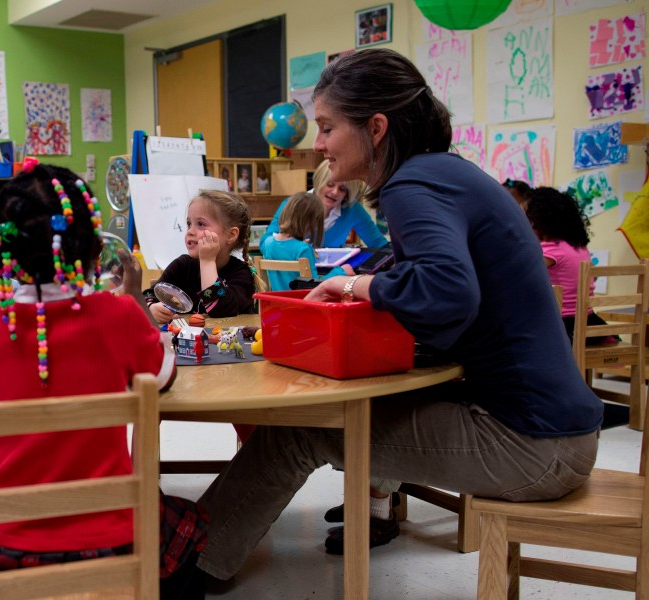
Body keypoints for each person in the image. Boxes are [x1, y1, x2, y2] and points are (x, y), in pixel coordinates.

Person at [192, 48, 601, 581]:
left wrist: (356, 282)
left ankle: (189, 564)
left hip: (532, 446)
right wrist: (374, 288)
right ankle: (202, 548)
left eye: (327, 127)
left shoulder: (414, 184)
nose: (317, 144)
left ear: (377, 127)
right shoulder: (445, 174)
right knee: (353, 409)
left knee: (299, 430)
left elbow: (447, 292)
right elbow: (450, 300)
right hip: (556, 432)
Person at [0, 161, 207, 599]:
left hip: (6, 537)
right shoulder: (117, 312)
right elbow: (161, 378)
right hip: (111, 534)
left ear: (4, 250)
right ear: (91, 248)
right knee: (189, 526)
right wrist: (137, 302)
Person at [146, 189, 264, 324]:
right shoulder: (182, 266)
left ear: (231, 235)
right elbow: (149, 295)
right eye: (189, 223)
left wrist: (207, 260)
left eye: (201, 224)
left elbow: (219, 309)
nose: (190, 231)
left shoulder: (242, 274)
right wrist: (151, 308)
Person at [525, 186, 616, 344]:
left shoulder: (550, 249)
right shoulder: (579, 246)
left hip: (565, 328)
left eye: (529, 221)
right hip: (590, 323)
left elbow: (522, 270)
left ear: (540, 222)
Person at [261, 159, 388, 250]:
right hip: (295, 278)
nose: (335, 192)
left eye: (342, 189)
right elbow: (265, 243)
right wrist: (295, 245)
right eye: (330, 184)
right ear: (319, 182)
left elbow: (378, 243)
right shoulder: (292, 205)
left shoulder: (352, 210)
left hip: (332, 277)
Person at [260, 191, 352, 291]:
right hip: (300, 304)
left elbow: (285, 247)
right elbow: (314, 287)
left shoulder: (267, 243)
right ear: (310, 223)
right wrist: (340, 271)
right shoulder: (303, 249)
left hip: (277, 303)